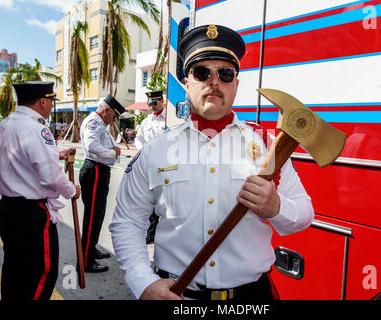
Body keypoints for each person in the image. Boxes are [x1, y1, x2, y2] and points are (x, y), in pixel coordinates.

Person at [110, 25, 314, 300]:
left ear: (236, 84)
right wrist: (143, 281)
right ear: (187, 82)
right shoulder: (155, 151)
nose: (214, 81)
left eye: (225, 74)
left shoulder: (268, 150)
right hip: (178, 295)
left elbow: (303, 215)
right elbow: (127, 221)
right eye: (202, 72)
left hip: (251, 299)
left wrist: (276, 207)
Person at [0, 81, 81, 300]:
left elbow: (17, 160)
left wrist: (56, 154)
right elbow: (51, 176)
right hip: (31, 213)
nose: (52, 106)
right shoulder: (37, 129)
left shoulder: (4, 125)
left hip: (6, 207)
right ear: (42, 101)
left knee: (14, 268)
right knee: (40, 274)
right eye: (52, 100)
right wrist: (73, 190)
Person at [79, 94, 125, 273]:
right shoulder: (93, 122)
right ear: (106, 110)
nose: (113, 120)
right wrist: (113, 152)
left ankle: (91, 248)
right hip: (95, 170)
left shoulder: (98, 123)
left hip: (99, 170)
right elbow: (92, 146)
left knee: (97, 215)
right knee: (92, 217)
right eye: (113, 116)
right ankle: (86, 261)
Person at [134, 90, 167, 245]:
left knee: (166, 200)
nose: (153, 106)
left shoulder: (168, 119)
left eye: (155, 103)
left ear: (162, 101)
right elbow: (138, 138)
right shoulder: (147, 121)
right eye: (150, 104)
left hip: (165, 164)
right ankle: (151, 233)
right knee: (151, 199)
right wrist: (143, 150)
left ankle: (165, 233)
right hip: (149, 164)